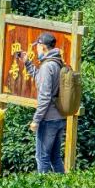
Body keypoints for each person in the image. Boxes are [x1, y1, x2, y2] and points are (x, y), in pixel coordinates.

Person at [20, 32, 66, 173]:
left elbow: (45, 96)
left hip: (48, 119)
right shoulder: (57, 62)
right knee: (55, 157)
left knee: (42, 157)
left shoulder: (47, 66)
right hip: (59, 117)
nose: (36, 49)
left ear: (43, 46)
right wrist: (27, 63)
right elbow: (40, 78)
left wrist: (36, 120)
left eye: (37, 46)